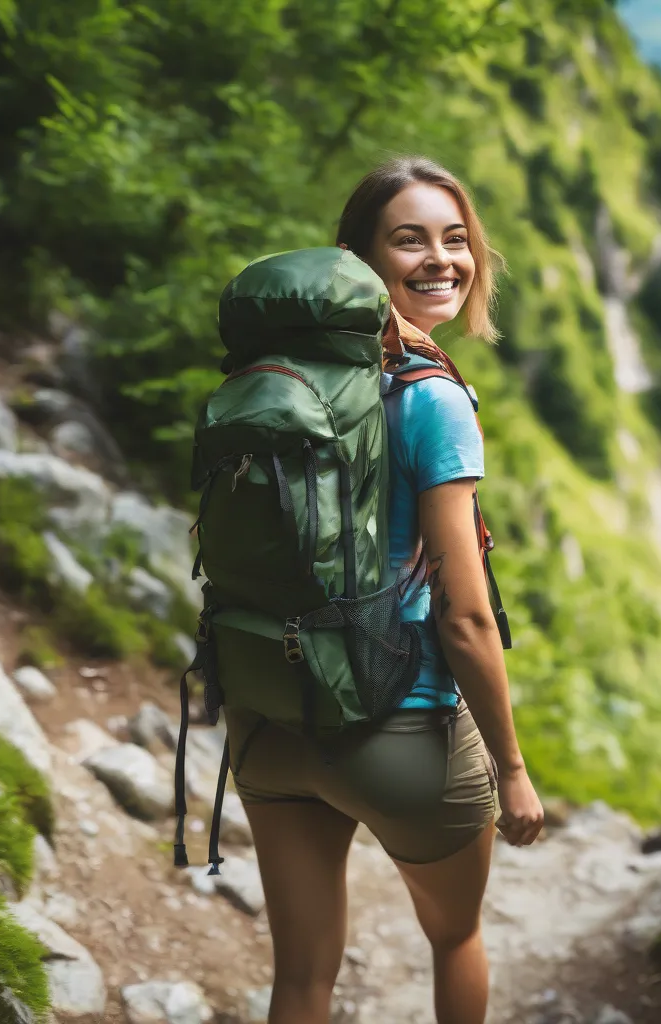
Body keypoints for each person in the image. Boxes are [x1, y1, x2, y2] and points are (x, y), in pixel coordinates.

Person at [227, 156, 544, 1024]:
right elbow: (466, 612)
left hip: (268, 714)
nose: (443, 259)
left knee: (300, 981)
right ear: (359, 260)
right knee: (455, 940)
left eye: (456, 238)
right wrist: (511, 770)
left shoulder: (275, 383)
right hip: (397, 725)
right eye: (410, 240)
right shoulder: (433, 399)